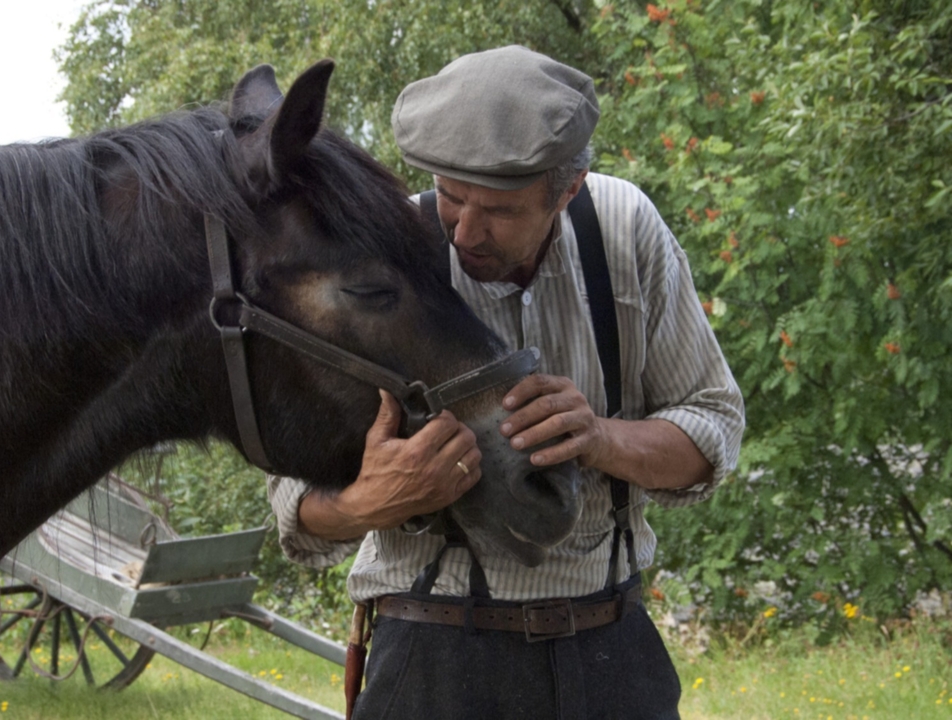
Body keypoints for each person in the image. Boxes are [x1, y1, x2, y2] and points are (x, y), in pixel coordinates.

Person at [267, 46, 744, 719]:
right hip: (432, 654)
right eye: (451, 196)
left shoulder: (624, 232)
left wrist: (599, 438)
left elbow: (714, 427)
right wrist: (369, 501)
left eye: (498, 210)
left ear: (567, 189)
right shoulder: (386, 254)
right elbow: (292, 499)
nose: (464, 229)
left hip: (608, 652)